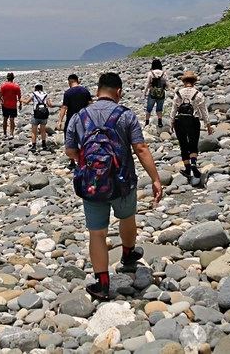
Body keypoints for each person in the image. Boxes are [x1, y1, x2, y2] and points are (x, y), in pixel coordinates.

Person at [65, 72, 163, 300]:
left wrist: (88, 161)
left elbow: (70, 150)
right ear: (118, 92)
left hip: (91, 184)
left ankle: (102, 283)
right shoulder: (126, 115)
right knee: (127, 218)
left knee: (97, 234)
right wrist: (156, 179)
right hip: (123, 181)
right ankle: (128, 255)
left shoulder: (79, 117)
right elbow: (140, 148)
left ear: (97, 91)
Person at [169, 71, 213, 186]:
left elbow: (173, 109)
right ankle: (193, 163)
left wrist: (172, 122)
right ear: (194, 81)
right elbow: (204, 111)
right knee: (193, 145)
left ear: (183, 81)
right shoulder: (198, 94)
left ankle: (187, 169)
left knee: (183, 146)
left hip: (179, 121)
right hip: (193, 121)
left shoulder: (178, 93)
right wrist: (208, 125)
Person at [57, 73, 92, 170]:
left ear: (69, 82)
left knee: (70, 140)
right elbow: (90, 105)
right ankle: (85, 160)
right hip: (84, 120)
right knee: (84, 139)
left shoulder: (68, 93)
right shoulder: (85, 91)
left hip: (71, 120)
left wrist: (60, 120)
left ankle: (72, 161)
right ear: (78, 81)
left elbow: (64, 107)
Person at [22, 83, 53, 152]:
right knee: (43, 130)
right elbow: (50, 104)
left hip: (35, 114)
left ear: (35, 87)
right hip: (44, 114)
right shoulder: (46, 94)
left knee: (34, 132)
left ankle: (34, 146)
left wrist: (21, 100)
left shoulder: (33, 94)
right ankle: (44, 145)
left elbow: (27, 102)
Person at [144, 58, 168, 127]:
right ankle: (160, 122)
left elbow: (147, 84)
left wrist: (145, 92)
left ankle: (147, 123)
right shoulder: (164, 73)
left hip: (152, 93)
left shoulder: (151, 73)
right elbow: (167, 83)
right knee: (159, 109)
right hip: (161, 93)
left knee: (149, 108)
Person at [0, 72, 22, 139]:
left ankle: (5, 134)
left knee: (5, 119)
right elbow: (19, 97)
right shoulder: (16, 86)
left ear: (7, 78)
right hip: (13, 106)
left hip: (5, 105)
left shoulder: (3, 86)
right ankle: (11, 134)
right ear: (13, 78)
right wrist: (20, 105)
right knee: (12, 120)